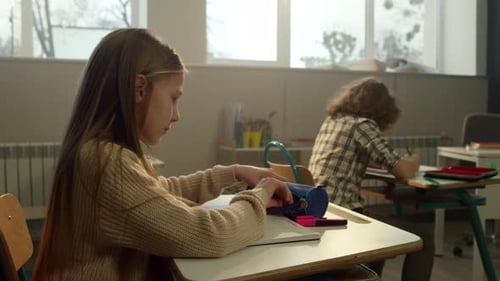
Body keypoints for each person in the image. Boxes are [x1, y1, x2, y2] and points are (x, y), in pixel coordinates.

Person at [32, 28, 293, 281]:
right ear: (140, 89)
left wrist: (232, 173)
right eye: (173, 98)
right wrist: (257, 198)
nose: (176, 115)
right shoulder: (108, 164)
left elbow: (159, 192)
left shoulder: (98, 152)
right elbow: (209, 236)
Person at [308, 77, 434, 281]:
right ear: (382, 109)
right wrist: (414, 160)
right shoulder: (362, 125)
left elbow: (348, 156)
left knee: (379, 229)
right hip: (345, 217)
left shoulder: (333, 121)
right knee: (424, 237)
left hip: (321, 210)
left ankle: (371, 275)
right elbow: (403, 171)